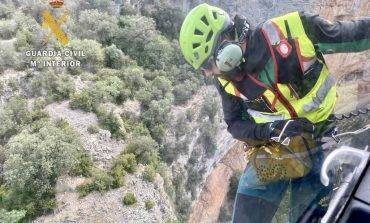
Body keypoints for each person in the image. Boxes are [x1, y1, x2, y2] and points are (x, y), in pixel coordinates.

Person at [179, 3, 370, 223]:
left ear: (225, 49)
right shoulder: (225, 80)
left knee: (304, 218)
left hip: (320, 140)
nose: (209, 73)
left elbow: (355, 34)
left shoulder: (295, 30)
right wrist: (270, 130)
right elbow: (234, 124)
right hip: (273, 149)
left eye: (208, 65)